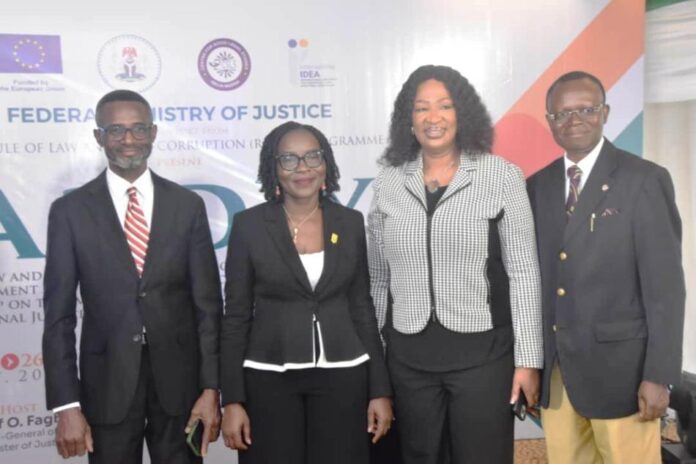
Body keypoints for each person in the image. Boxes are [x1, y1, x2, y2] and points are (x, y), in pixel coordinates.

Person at [367, 64, 543, 463]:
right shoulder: (388, 182)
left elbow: (524, 273)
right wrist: (377, 361)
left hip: (482, 356)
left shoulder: (501, 176)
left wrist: (528, 361)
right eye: (421, 108)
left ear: (462, 114)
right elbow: (378, 279)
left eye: (445, 106)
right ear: (407, 120)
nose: (433, 118)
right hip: (407, 358)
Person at [42, 90, 223, 463]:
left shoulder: (187, 207)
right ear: (99, 137)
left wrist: (211, 387)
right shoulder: (69, 212)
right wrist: (66, 404)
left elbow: (208, 307)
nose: (128, 140)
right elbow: (57, 317)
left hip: (181, 388)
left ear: (154, 133)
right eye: (116, 130)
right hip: (106, 385)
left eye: (138, 129)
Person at [527, 70, 686, 464]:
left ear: (606, 112)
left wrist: (659, 375)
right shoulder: (536, 186)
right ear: (549, 121)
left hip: (624, 377)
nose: (574, 119)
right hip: (558, 376)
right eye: (562, 113)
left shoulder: (644, 180)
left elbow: (665, 289)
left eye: (586, 109)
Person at [220, 121, 393, 464]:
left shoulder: (349, 222)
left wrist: (379, 390)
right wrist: (233, 399)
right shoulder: (249, 225)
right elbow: (236, 316)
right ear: (273, 168)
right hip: (269, 378)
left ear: (326, 163)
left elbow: (361, 306)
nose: (303, 168)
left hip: (345, 375)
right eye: (289, 159)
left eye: (313, 156)